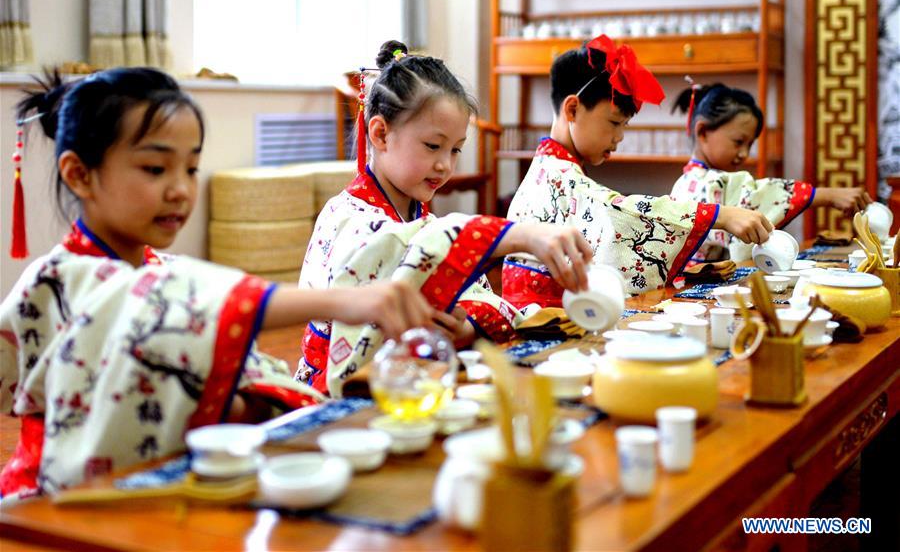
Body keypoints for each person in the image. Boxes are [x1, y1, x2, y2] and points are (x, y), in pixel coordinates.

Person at [0, 68, 437, 498]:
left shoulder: (162, 267)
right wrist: (344, 301)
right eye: (155, 169)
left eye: (190, 169)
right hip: (64, 499)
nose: (180, 190)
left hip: (161, 482)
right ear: (79, 174)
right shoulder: (58, 279)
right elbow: (179, 304)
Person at [297, 41, 592, 394]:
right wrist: (519, 235)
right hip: (332, 394)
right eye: (433, 146)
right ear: (380, 134)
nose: (445, 165)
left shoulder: (416, 211)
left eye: (455, 149)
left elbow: (461, 287)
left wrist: (464, 328)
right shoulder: (348, 217)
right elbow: (410, 245)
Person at [503, 36, 773, 307]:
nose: (619, 137)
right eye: (613, 122)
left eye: (624, 126)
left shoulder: (550, 170)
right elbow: (620, 212)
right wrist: (719, 214)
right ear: (573, 109)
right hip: (547, 322)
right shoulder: (557, 175)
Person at [670, 82, 872, 260]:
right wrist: (826, 195)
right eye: (739, 142)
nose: (744, 153)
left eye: (749, 145)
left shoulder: (703, 180)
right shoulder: (699, 183)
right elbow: (756, 193)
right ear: (703, 131)